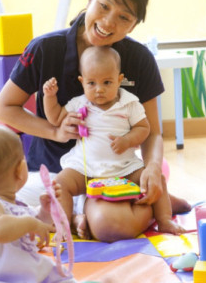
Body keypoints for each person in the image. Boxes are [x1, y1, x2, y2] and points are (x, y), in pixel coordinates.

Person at [0, 0, 191, 241]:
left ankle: (146, 206)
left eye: (123, 17)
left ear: (133, 26)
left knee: (108, 226)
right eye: (103, 6)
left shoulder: (139, 59)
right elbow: (4, 108)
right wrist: (54, 131)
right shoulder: (46, 48)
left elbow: (150, 131)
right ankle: (73, 219)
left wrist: (152, 167)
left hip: (112, 175)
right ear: (90, 0)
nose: (108, 21)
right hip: (52, 176)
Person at [43, 46, 184, 239]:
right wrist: (49, 98)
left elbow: (144, 128)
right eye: (91, 83)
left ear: (119, 80)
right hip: (86, 170)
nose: (99, 89)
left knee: (156, 178)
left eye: (107, 82)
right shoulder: (79, 103)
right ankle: (64, 224)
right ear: (82, 81)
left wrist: (127, 140)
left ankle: (165, 219)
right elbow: (56, 117)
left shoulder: (129, 103)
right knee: (60, 183)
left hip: (124, 168)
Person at [0, 122, 76, 283]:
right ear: (20, 170)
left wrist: (44, 212)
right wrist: (29, 223)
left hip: (20, 274)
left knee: (57, 274)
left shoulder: (15, 205)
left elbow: (32, 228)